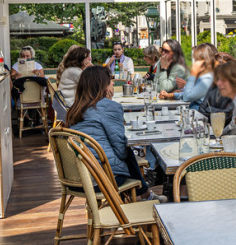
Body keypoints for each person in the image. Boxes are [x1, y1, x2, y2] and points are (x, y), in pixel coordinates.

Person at [67, 66, 165, 202]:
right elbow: (121, 152)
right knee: (127, 150)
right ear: (103, 86)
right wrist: (109, 104)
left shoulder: (75, 108)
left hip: (75, 179)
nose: (113, 83)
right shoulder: (109, 107)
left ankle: (145, 194)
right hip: (102, 179)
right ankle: (145, 195)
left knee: (124, 152)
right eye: (110, 81)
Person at [161, 43, 214, 109]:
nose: (163, 54)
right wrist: (172, 95)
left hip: (201, 115)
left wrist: (163, 69)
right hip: (194, 112)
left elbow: (188, 96)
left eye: (197, 60)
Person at [197, 51, 234, 128]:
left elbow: (227, 115)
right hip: (210, 128)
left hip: (226, 132)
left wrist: (209, 109)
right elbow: (201, 110)